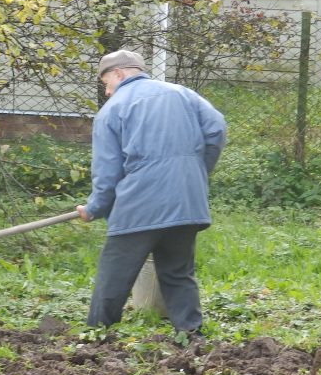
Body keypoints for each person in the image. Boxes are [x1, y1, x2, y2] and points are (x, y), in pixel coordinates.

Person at [75, 49, 227, 334]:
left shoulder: (112, 110)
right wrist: (196, 171)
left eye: (106, 83)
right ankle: (190, 334)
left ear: (119, 74)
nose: (107, 92)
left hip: (139, 204)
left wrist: (95, 207)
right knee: (177, 271)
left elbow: (107, 171)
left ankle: (96, 334)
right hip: (187, 201)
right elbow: (216, 128)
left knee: (115, 273)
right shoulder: (183, 94)